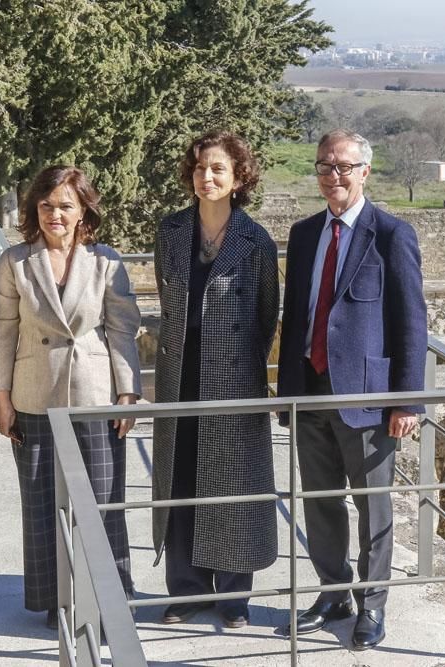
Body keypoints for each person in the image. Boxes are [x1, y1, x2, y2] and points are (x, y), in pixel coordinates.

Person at [276, 129, 427, 651]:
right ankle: (333, 592)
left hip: (366, 398)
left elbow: (411, 321)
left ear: (365, 171)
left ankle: (373, 604)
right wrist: (286, 394)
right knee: (319, 501)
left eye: (342, 167)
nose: (332, 176)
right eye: (323, 167)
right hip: (310, 389)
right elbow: (296, 314)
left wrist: (407, 400)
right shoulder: (302, 234)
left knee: (373, 507)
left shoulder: (391, 234)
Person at [0, 165, 141, 630]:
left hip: (94, 395)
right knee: (41, 503)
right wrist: (2, 397)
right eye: (46, 205)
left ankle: (107, 595)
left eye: (65, 206)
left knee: (100, 500)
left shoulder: (106, 260)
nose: (55, 214)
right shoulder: (15, 260)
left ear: (83, 212)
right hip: (34, 394)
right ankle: (56, 600)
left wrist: (128, 390)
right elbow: (2, 329)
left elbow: (122, 329)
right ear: (35, 209)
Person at [151, 130, 279, 629]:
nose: (208, 177)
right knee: (181, 478)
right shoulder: (171, 232)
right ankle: (186, 590)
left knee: (232, 484)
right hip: (179, 373)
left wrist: (241, 365)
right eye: (202, 168)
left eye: (219, 169)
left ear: (238, 178)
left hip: (233, 381)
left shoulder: (256, 242)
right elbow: (167, 298)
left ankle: (233, 596)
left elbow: (267, 315)